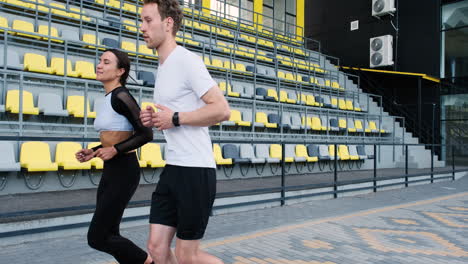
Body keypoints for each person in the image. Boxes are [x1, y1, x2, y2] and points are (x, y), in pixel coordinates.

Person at [139, 0, 231, 263]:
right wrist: (155, 118)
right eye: (141, 20)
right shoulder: (164, 66)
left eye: (148, 20)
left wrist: (175, 118)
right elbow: (173, 114)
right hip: (174, 168)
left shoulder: (186, 60)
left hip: (196, 171)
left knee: (186, 255)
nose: (141, 27)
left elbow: (222, 110)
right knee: (156, 248)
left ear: (168, 23)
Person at [75, 49, 154, 264]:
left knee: (97, 237)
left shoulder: (122, 96)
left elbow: (146, 133)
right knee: (110, 233)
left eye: (106, 62)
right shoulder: (109, 97)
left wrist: (115, 150)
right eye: (99, 61)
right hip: (112, 170)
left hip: (124, 170)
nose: (99, 65)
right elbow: (117, 135)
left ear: (120, 71)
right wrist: (94, 150)